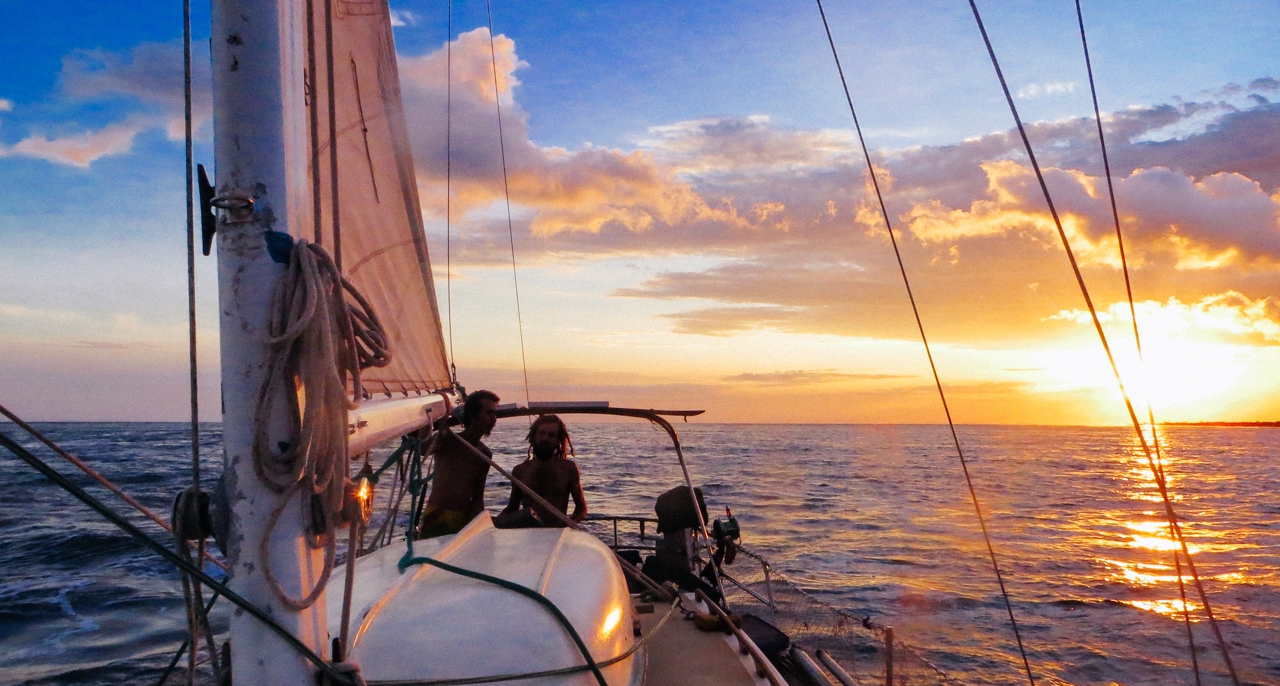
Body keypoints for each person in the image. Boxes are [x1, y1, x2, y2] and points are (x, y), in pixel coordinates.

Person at [417, 390, 499, 538]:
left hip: (463, 520)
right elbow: (424, 449)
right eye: (489, 413)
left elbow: (477, 497)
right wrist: (426, 427)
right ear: (473, 415)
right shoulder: (448, 439)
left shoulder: (484, 454)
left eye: (495, 414)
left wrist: (480, 527)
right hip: (437, 516)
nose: (494, 419)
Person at [497, 414, 587, 527]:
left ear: (558, 440)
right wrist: (494, 523)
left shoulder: (568, 469)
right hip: (529, 533)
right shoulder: (520, 471)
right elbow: (512, 508)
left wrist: (570, 523)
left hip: (557, 534)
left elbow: (581, 508)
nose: (545, 438)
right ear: (534, 435)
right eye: (542, 433)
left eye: (551, 435)